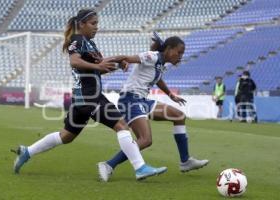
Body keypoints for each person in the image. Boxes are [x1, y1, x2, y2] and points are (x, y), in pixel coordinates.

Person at [12, 9, 167, 181]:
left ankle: (28, 151)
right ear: (82, 24)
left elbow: (98, 66)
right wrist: (99, 67)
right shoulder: (77, 40)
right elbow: (75, 61)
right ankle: (140, 168)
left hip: (84, 99)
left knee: (66, 136)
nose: (96, 27)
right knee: (122, 126)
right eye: (93, 24)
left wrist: (116, 63)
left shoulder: (90, 44)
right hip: (89, 97)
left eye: (97, 24)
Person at [97, 32, 209, 182]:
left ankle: (185, 161)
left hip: (142, 101)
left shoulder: (161, 63)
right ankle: (108, 165)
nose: (181, 56)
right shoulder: (152, 56)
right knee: (145, 140)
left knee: (179, 116)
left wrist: (171, 95)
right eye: (179, 52)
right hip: (130, 100)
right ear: (169, 49)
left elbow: (158, 79)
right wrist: (104, 62)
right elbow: (126, 58)